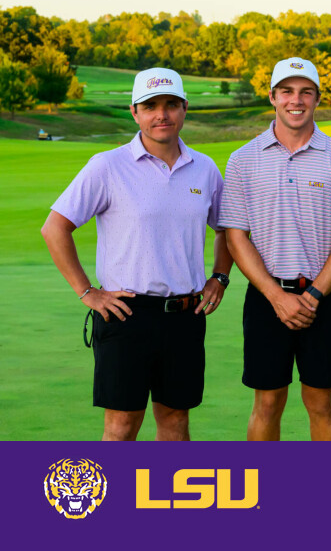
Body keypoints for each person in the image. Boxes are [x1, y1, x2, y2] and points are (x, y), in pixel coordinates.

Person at [41, 67, 231, 441]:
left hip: (185, 315)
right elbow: (55, 227)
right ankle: (115, 501)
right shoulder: (107, 166)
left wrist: (220, 276)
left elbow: (226, 229)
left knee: (176, 421)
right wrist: (86, 291)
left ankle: (167, 499)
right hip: (126, 314)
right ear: (135, 112)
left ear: (184, 108)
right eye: (151, 106)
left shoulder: (204, 169)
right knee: (121, 426)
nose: (162, 114)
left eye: (171, 104)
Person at [220, 57, 331, 441]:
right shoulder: (243, 160)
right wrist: (275, 296)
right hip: (265, 299)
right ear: (272, 96)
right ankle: (263, 495)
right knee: (267, 403)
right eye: (286, 91)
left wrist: (314, 295)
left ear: (318, 98)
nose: (296, 100)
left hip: (324, 298)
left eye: (306, 92)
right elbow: (236, 236)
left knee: (321, 403)